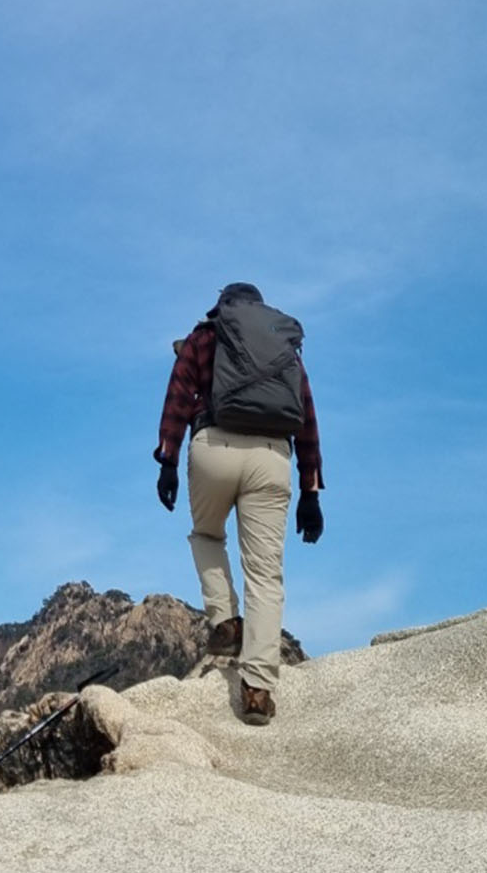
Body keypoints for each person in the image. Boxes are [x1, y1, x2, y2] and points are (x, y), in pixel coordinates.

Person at [152, 282, 324, 726]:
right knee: (265, 575)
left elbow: (177, 395)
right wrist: (310, 490)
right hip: (271, 457)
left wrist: (168, 460)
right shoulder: (282, 347)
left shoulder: (206, 335)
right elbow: (306, 414)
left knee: (207, 534)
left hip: (213, 447)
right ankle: (258, 691)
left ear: (224, 304)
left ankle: (226, 621)